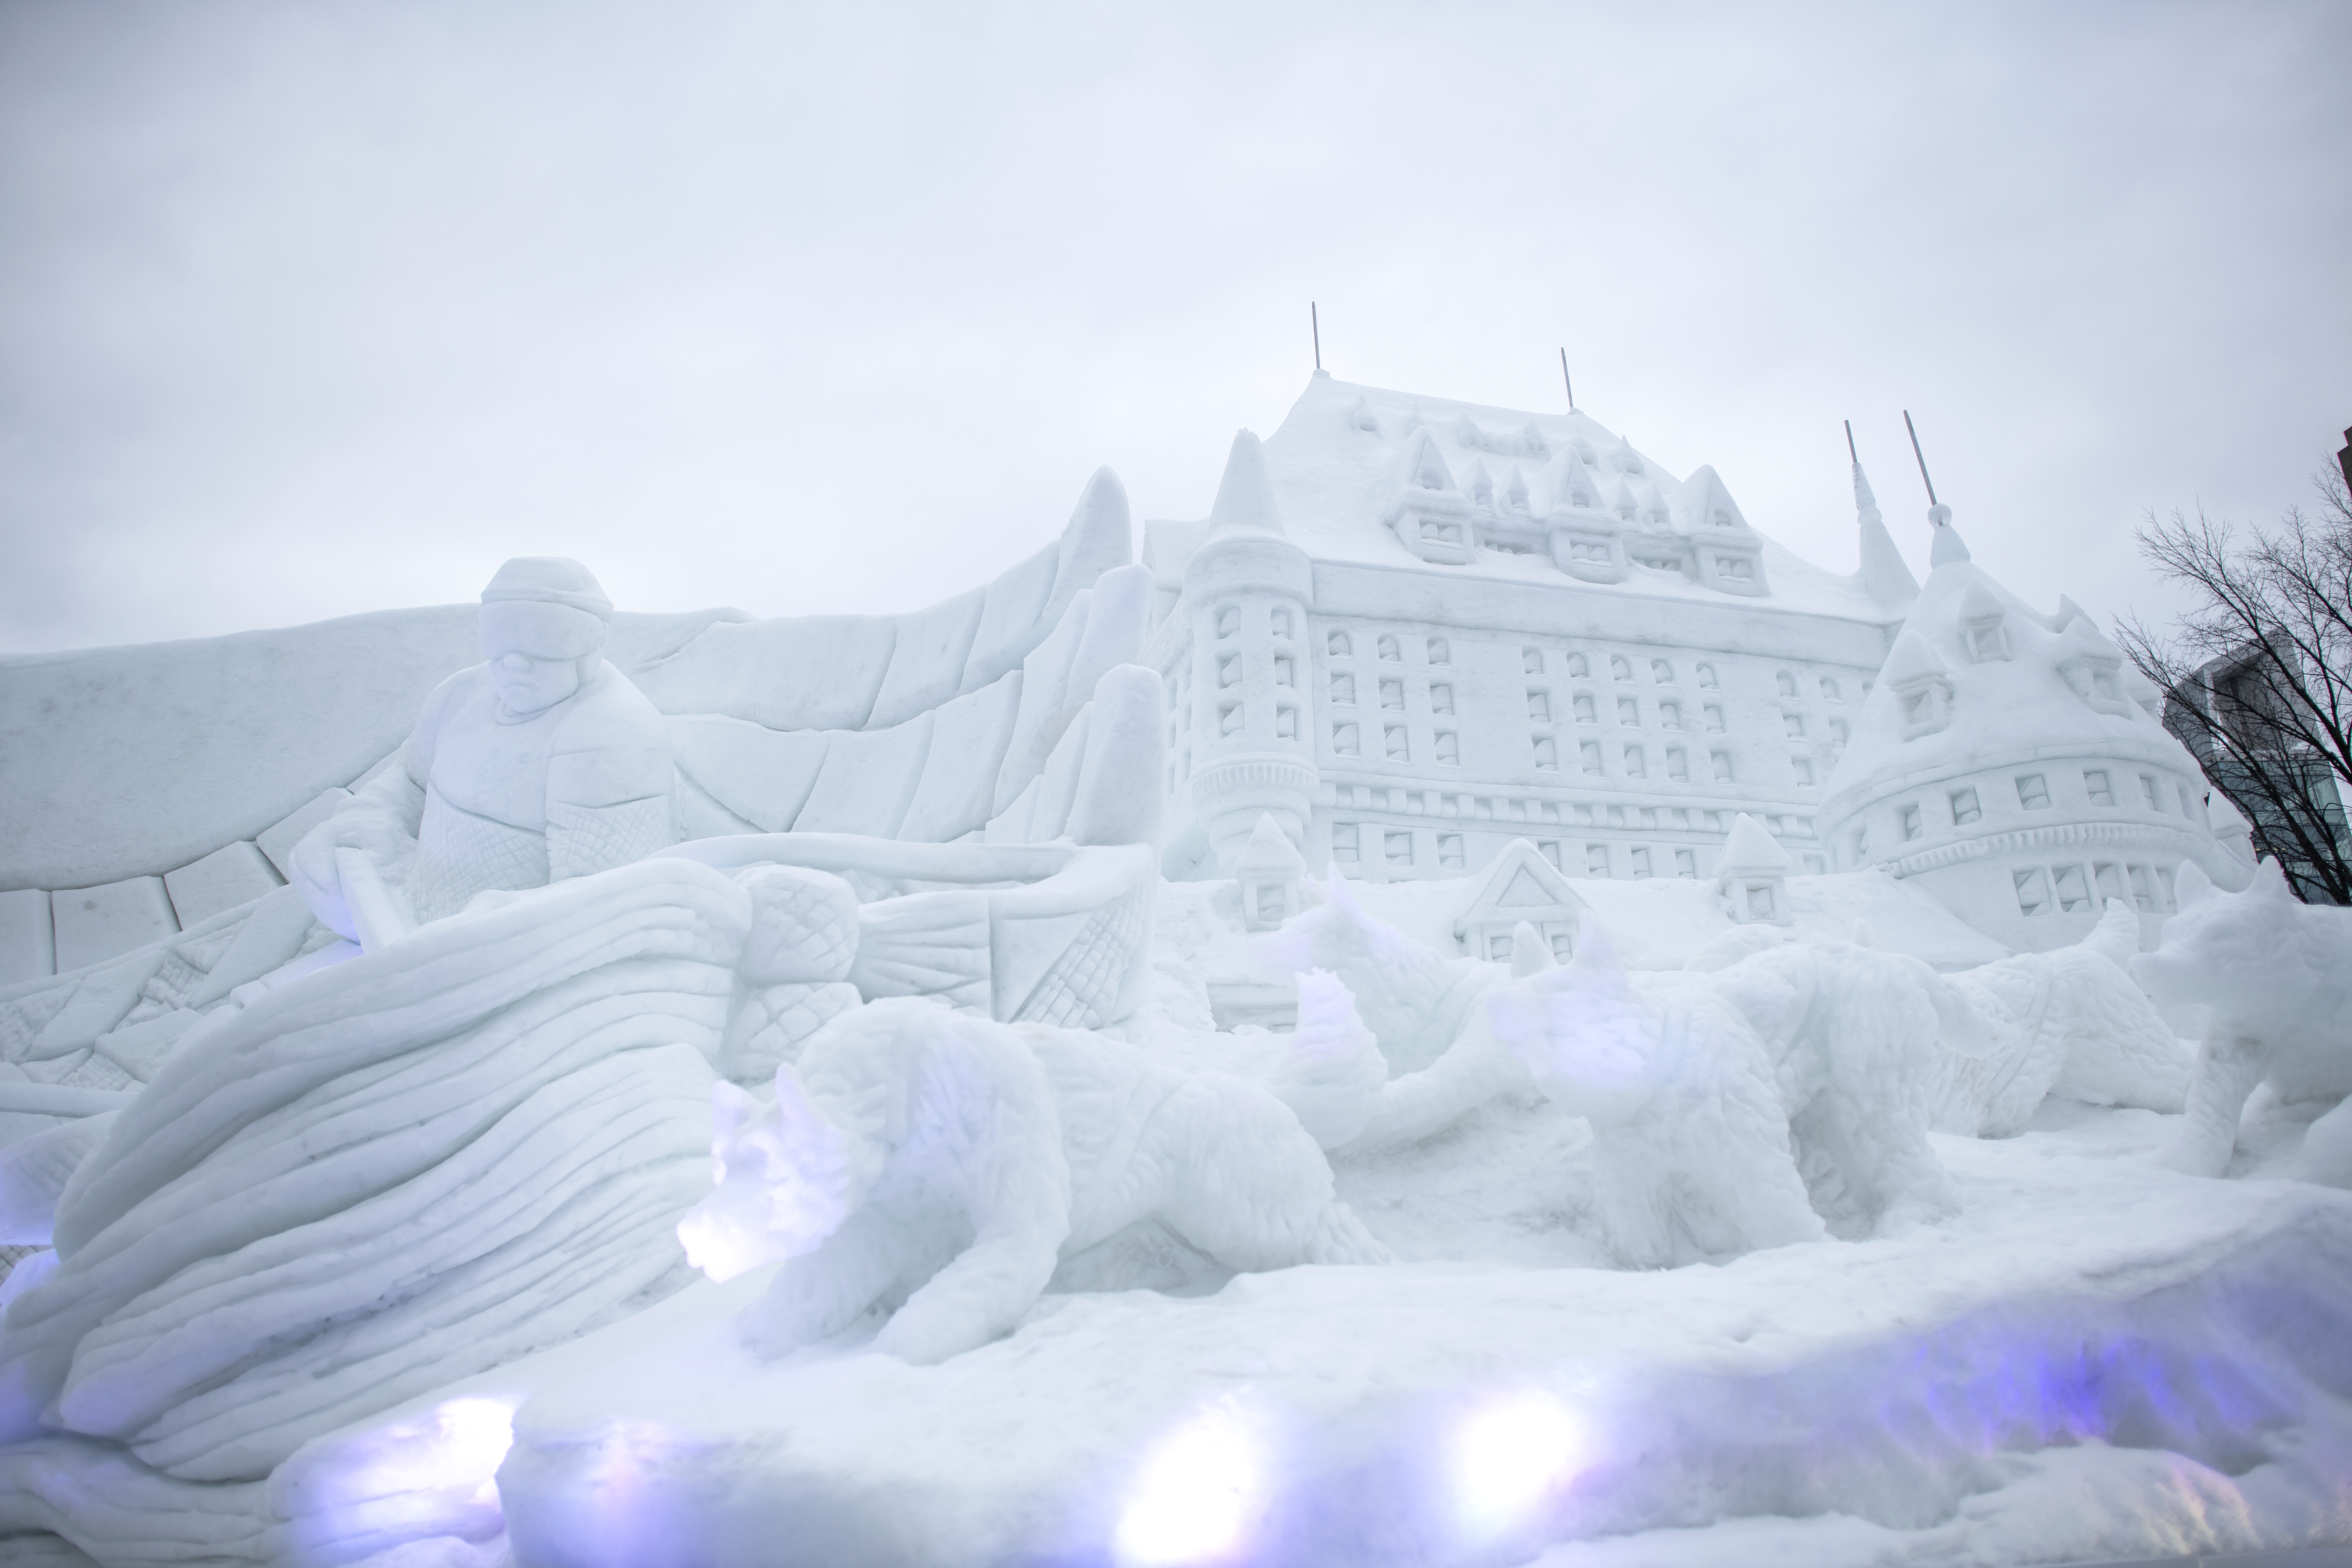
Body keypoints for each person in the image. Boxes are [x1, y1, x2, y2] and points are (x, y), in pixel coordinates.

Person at [293, 557, 677, 942]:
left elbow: (594, 906)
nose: (515, 662)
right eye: (501, 633)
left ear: (589, 648)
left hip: (509, 944)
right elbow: (410, 783)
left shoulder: (610, 735)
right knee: (317, 868)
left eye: (548, 638)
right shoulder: (461, 694)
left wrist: (471, 938)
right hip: (408, 908)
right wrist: (364, 824)